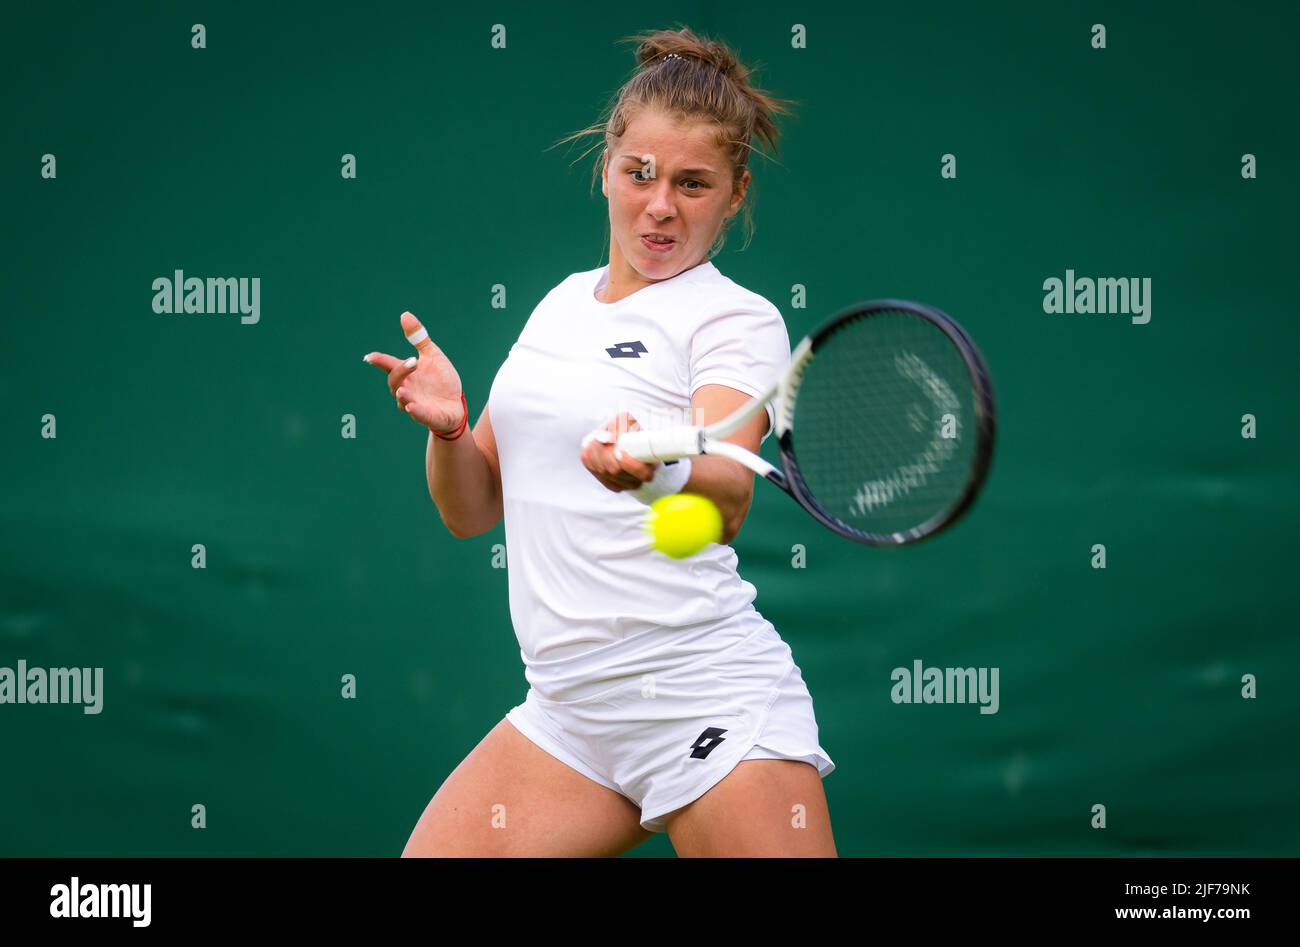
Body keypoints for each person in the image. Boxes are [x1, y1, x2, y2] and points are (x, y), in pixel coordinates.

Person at [365, 26, 836, 857]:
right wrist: (449, 432)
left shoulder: (735, 320)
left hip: (704, 698)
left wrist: (653, 474)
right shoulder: (558, 305)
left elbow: (727, 496)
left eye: (693, 183)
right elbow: (471, 510)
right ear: (606, 167)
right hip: (569, 716)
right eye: (639, 173)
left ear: (735, 194)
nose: (661, 205)